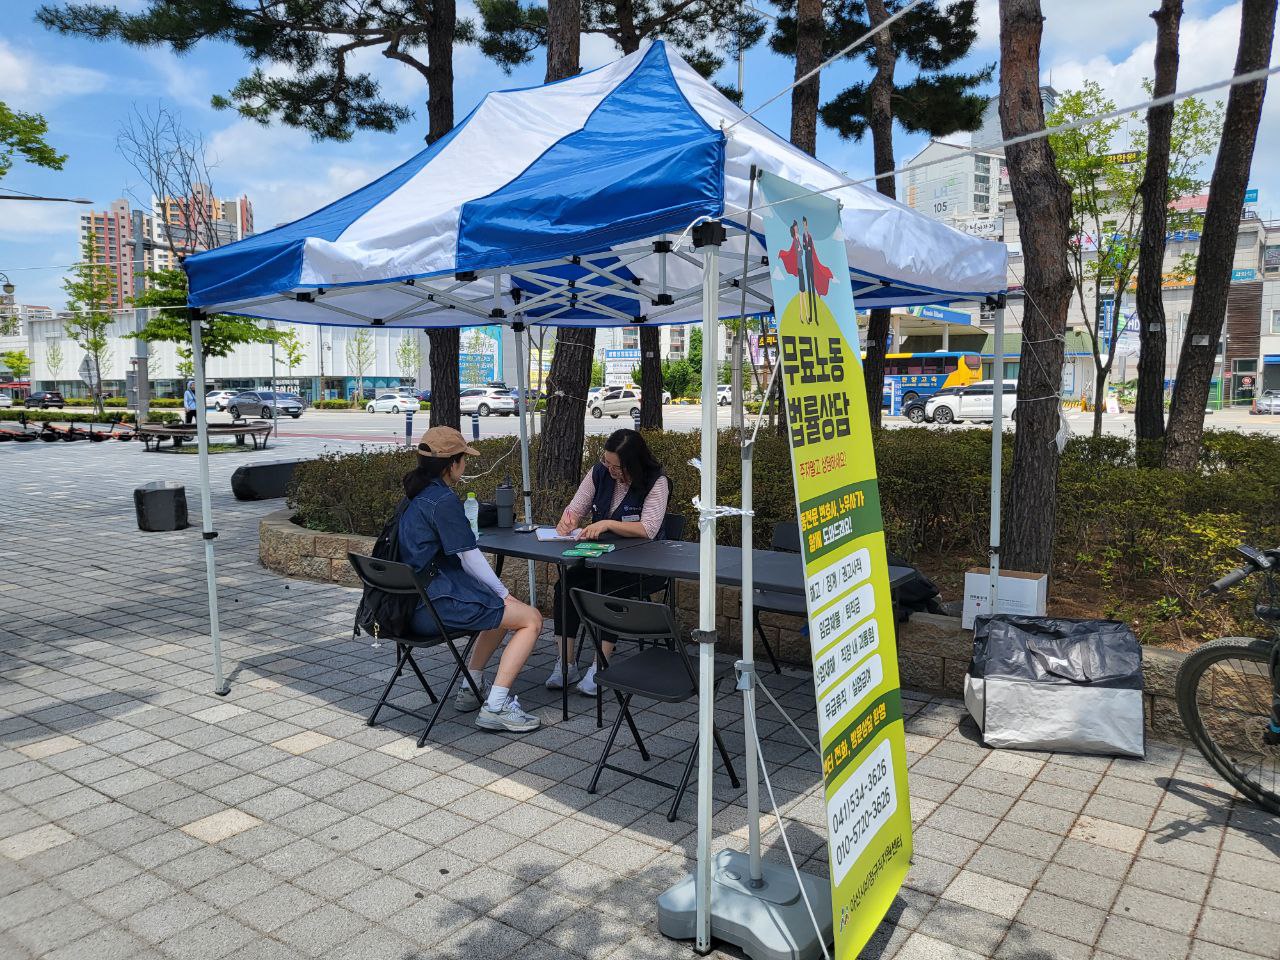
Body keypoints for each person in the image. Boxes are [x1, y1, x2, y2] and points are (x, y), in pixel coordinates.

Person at [399, 426, 544, 733]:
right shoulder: (442, 500)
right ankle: (496, 707)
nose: (465, 464)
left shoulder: (413, 496)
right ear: (452, 464)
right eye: (463, 459)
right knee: (530, 619)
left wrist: (498, 596)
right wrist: (504, 593)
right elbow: (469, 556)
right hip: (431, 609)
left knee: (497, 608)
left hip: (408, 606)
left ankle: (471, 686)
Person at [549, 429, 670, 696]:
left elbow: (649, 529)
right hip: (601, 559)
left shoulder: (656, 481)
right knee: (566, 585)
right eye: (607, 463)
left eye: (617, 467)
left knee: (610, 592)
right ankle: (566, 664)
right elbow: (575, 508)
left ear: (633, 464)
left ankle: (600, 666)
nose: (611, 470)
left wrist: (606, 523)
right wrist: (569, 520)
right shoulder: (599, 473)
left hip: (642, 565)